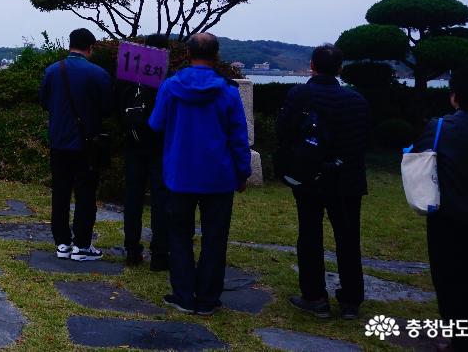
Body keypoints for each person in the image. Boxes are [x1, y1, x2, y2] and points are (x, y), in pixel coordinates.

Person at [149, 32, 250, 315]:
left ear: (188, 54)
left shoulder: (170, 86)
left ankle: (183, 294)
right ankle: (208, 298)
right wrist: (243, 172)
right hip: (218, 177)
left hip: (179, 174)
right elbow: (238, 137)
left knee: (179, 235)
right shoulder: (228, 91)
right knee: (215, 237)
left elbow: (156, 124)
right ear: (216, 55)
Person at [275, 43, 369, 320]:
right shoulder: (356, 101)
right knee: (349, 238)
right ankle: (351, 300)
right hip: (347, 179)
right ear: (340, 69)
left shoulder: (300, 94)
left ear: (312, 66)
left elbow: (283, 130)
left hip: (308, 177)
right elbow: (363, 142)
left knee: (310, 234)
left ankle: (314, 295)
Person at [413, 65, 468, 349]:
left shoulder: (441, 128)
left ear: (455, 97)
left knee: (452, 285)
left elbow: (419, 159)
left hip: (450, 223)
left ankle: (457, 338)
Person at [39, 28, 114, 261]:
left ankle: (62, 243)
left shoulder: (52, 71)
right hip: (86, 144)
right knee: (85, 194)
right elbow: (108, 108)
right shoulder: (98, 74)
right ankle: (82, 245)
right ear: (90, 48)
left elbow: (44, 102)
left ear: (69, 44)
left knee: (60, 193)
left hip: (59, 141)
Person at [117, 34, 170, 270]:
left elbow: (115, 105)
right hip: (160, 144)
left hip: (133, 142)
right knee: (160, 199)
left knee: (133, 197)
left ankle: (132, 249)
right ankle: (159, 253)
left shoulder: (128, 76)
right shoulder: (167, 79)